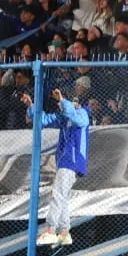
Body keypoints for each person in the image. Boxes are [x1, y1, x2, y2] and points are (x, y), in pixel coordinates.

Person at [20, 86, 90, 247]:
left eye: (62, 101)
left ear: (74, 102)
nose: (59, 104)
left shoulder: (82, 114)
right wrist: (31, 105)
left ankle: (51, 230)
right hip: (65, 162)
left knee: (57, 194)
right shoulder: (64, 118)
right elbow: (42, 120)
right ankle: (64, 232)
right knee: (61, 195)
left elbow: (75, 117)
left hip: (71, 162)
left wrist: (62, 100)